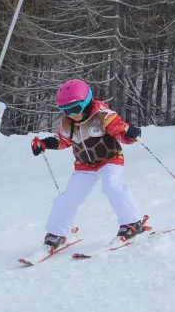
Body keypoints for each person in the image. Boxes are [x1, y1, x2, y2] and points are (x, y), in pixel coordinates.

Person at [31, 79, 145, 252]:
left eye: (75, 109)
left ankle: (132, 224)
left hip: (109, 159)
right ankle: (57, 233)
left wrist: (130, 133)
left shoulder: (103, 116)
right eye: (65, 110)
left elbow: (121, 132)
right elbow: (62, 141)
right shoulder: (67, 123)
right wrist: (45, 144)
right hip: (84, 165)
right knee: (68, 197)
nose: (72, 114)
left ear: (86, 102)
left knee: (111, 186)